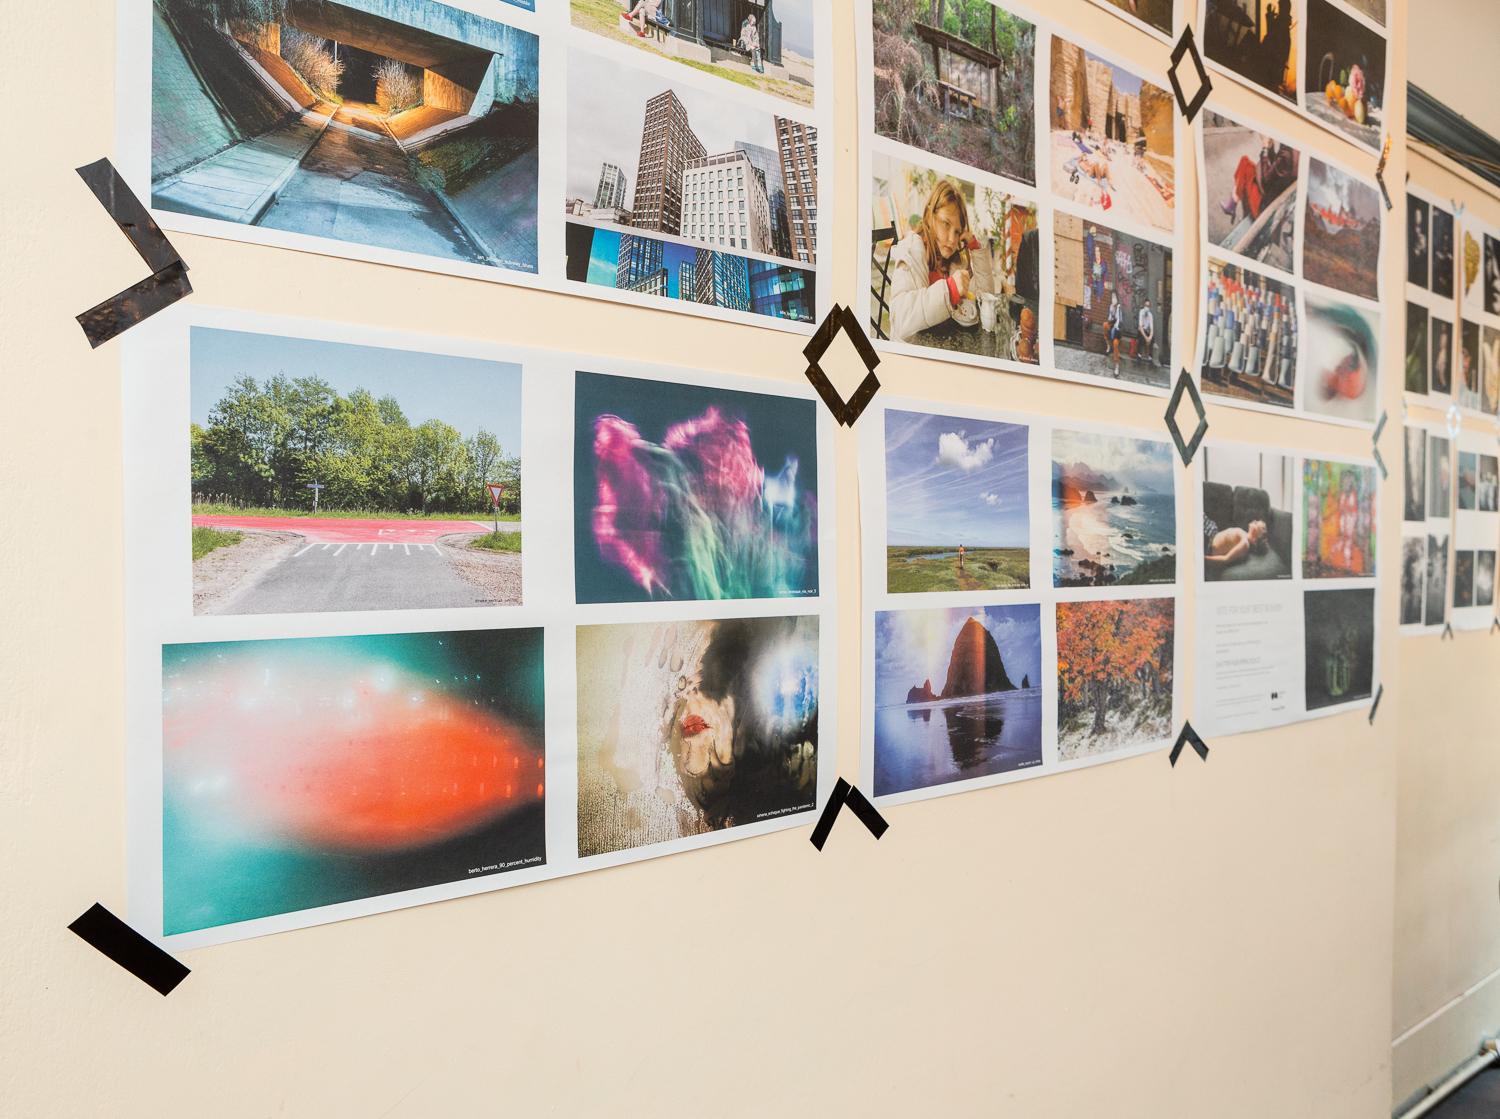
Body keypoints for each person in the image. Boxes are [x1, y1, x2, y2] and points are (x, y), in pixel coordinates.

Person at [886, 179, 995, 343]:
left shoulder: (954, 261)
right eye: (946, 224)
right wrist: (949, 291)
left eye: (957, 231)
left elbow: (986, 295)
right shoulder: (911, 252)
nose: (952, 239)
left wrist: (974, 245)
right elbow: (899, 318)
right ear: (930, 216)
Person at [1219, 135, 1297, 225]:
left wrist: (1264, 147)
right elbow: (1277, 167)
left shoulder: (1287, 155)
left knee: (1245, 170)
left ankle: (1234, 204)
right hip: (1274, 198)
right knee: (1245, 162)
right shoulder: (1293, 150)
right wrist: (1271, 147)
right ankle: (1233, 204)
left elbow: (1266, 180)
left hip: (1264, 207)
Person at [1204, 518, 1270, 571]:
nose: (1255, 521)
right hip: (1212, 534)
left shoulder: (1245, 544)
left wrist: (1205, 558)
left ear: (1254, 540)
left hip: (1209, 545)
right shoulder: (1243, 533)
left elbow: (1226, 559)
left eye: (1256, 524)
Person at [1064, 147, 1114, 211]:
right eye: (1083, 156)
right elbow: (1080, 160)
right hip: (1089, 173)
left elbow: (1090, 164)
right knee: (1096, 163)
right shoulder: (1080, 162)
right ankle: (1099, 181)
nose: (1085, 156)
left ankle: (1108, 180)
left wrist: (1086, 158)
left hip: (1094, 171)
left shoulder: (1086, 161)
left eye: (1085, 156)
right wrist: (1082, 155)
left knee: (1105, 165)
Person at [1107, 289, 1123, 377]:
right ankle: (1108, 345)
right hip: (1112, 327)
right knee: (1105, 325)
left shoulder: (1119, 307)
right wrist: (1109, 320)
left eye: (1114, 297)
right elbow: (1109, 317)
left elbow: (1120, 321)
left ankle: (1117, 365)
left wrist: (1114, 328)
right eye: (1112, 297)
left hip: (1117, 330)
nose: (1113, 299)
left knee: (1116, 343)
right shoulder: (1110, 307)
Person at [1138, 297, 1156, 367]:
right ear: (1143, 306)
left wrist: (1150, 338)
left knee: (1152, 339)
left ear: (1149, 307)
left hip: (1147, 332)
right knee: (1140, 336)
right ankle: (1139, 356)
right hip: (1141, 331)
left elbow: (1151, 329)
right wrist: (1146, 338)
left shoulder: (1150, 315)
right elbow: (1140, 327)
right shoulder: (1141, 312)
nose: (1146, 307)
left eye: (1148, 306)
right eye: (1145, 306)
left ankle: (1150, 358)